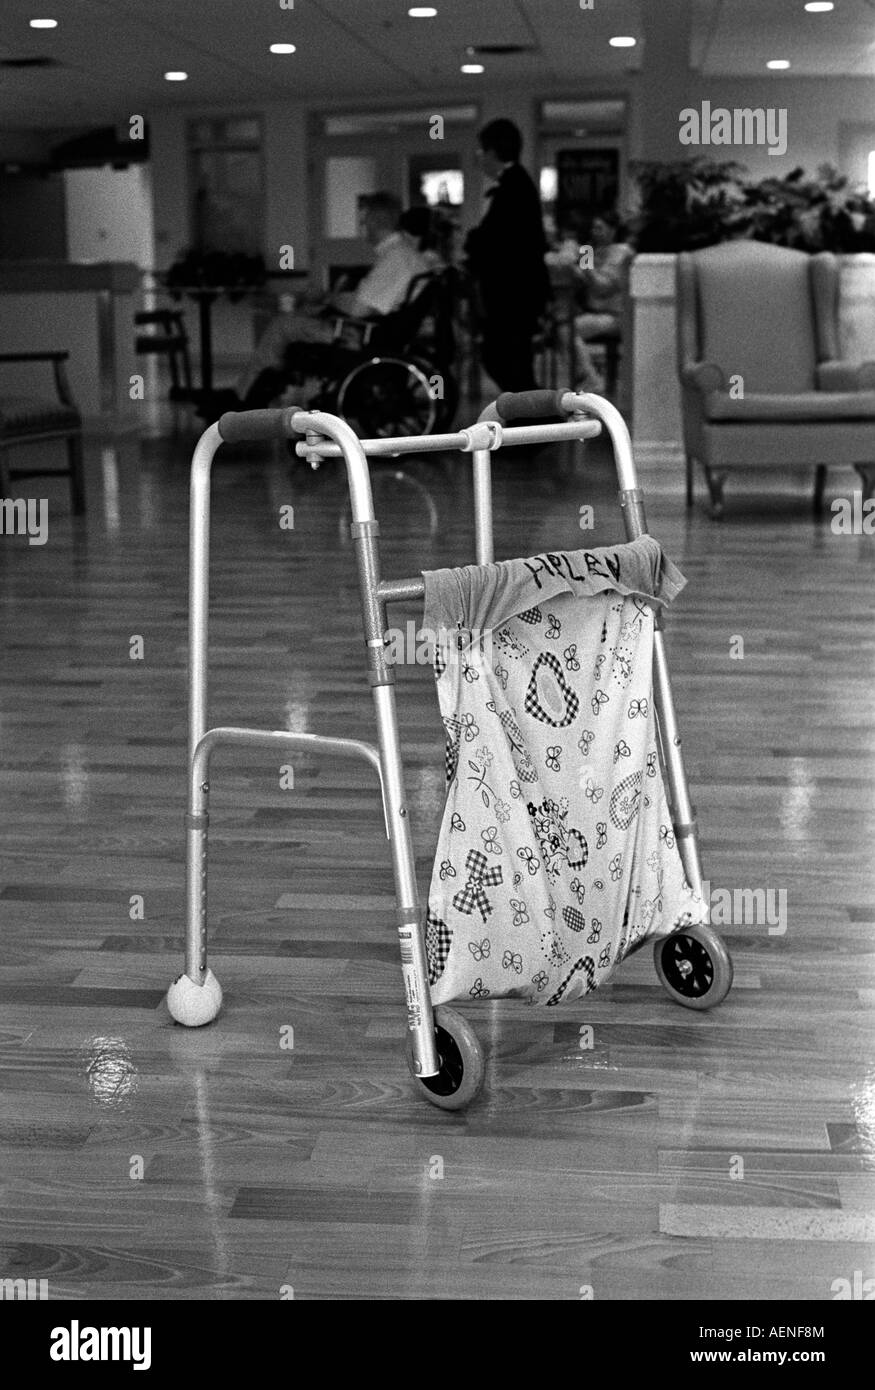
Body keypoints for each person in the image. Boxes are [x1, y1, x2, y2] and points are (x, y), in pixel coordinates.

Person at [235, 192, 428, 406]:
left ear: (374, 221)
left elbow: (359, 309)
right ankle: (262, 389)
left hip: (359, 335)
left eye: (364, 220)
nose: (362, 225)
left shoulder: (395, 259)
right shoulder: (407, 255)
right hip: (378, 330)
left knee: (282, 325)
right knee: (301, 318)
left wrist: (326, 297)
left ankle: (244, 398)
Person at [464, 118, 550, 393]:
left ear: (492, 152)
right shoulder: (518, 183)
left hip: (513, 295)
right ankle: (532, 422)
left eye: (481, 151)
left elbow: (496, 239)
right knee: (509, 360)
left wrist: (470, 242)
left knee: (504, 359)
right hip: (517, 294)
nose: (479, 159)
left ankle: (538, 421)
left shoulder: (513, 187)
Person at [573, 211, 633, 392]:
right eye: (593, 228)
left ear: (613, 230)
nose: (595, 232)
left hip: (614, 315)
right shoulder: (591, 250)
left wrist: (587, 268)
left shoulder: (622, 252)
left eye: (600, 228)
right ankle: (585, 372)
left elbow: (602, 288)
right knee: (560, 326)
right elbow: (582, 284)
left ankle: (591, 376)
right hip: (592, 310)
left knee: (568, 330)